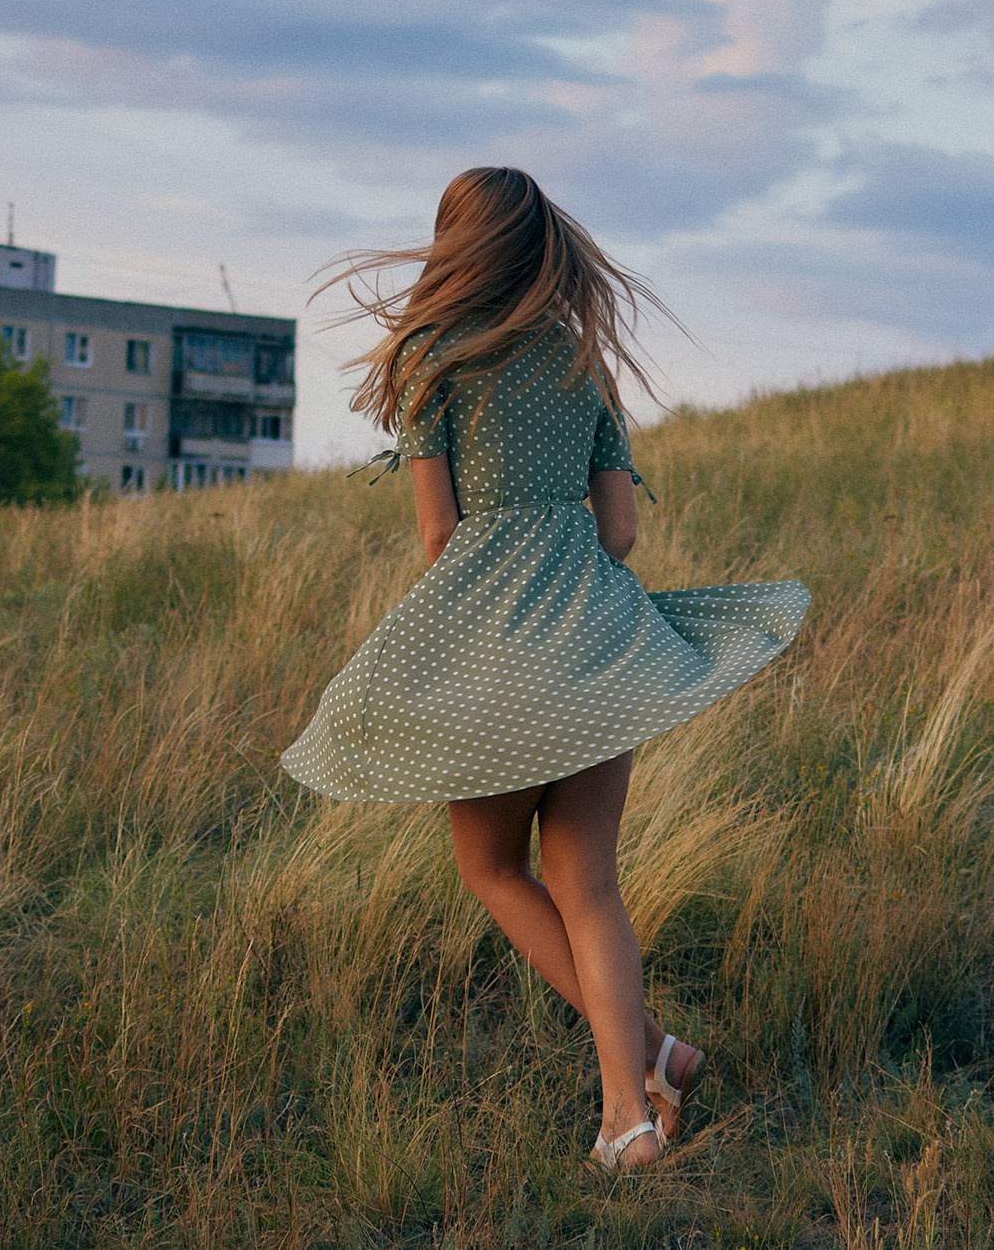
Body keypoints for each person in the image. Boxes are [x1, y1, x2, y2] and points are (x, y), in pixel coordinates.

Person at [282, 166, 811, 1173]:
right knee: (591, 884)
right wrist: (563, 571)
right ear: (541, 249)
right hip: (597, 646)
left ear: (453, 246)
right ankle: (638, 1090)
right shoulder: (581, 362)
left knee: (490, 868)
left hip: (495, 649)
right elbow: (619, 531)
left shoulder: (431, 361)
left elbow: (439, 536)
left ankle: (638, 1090)